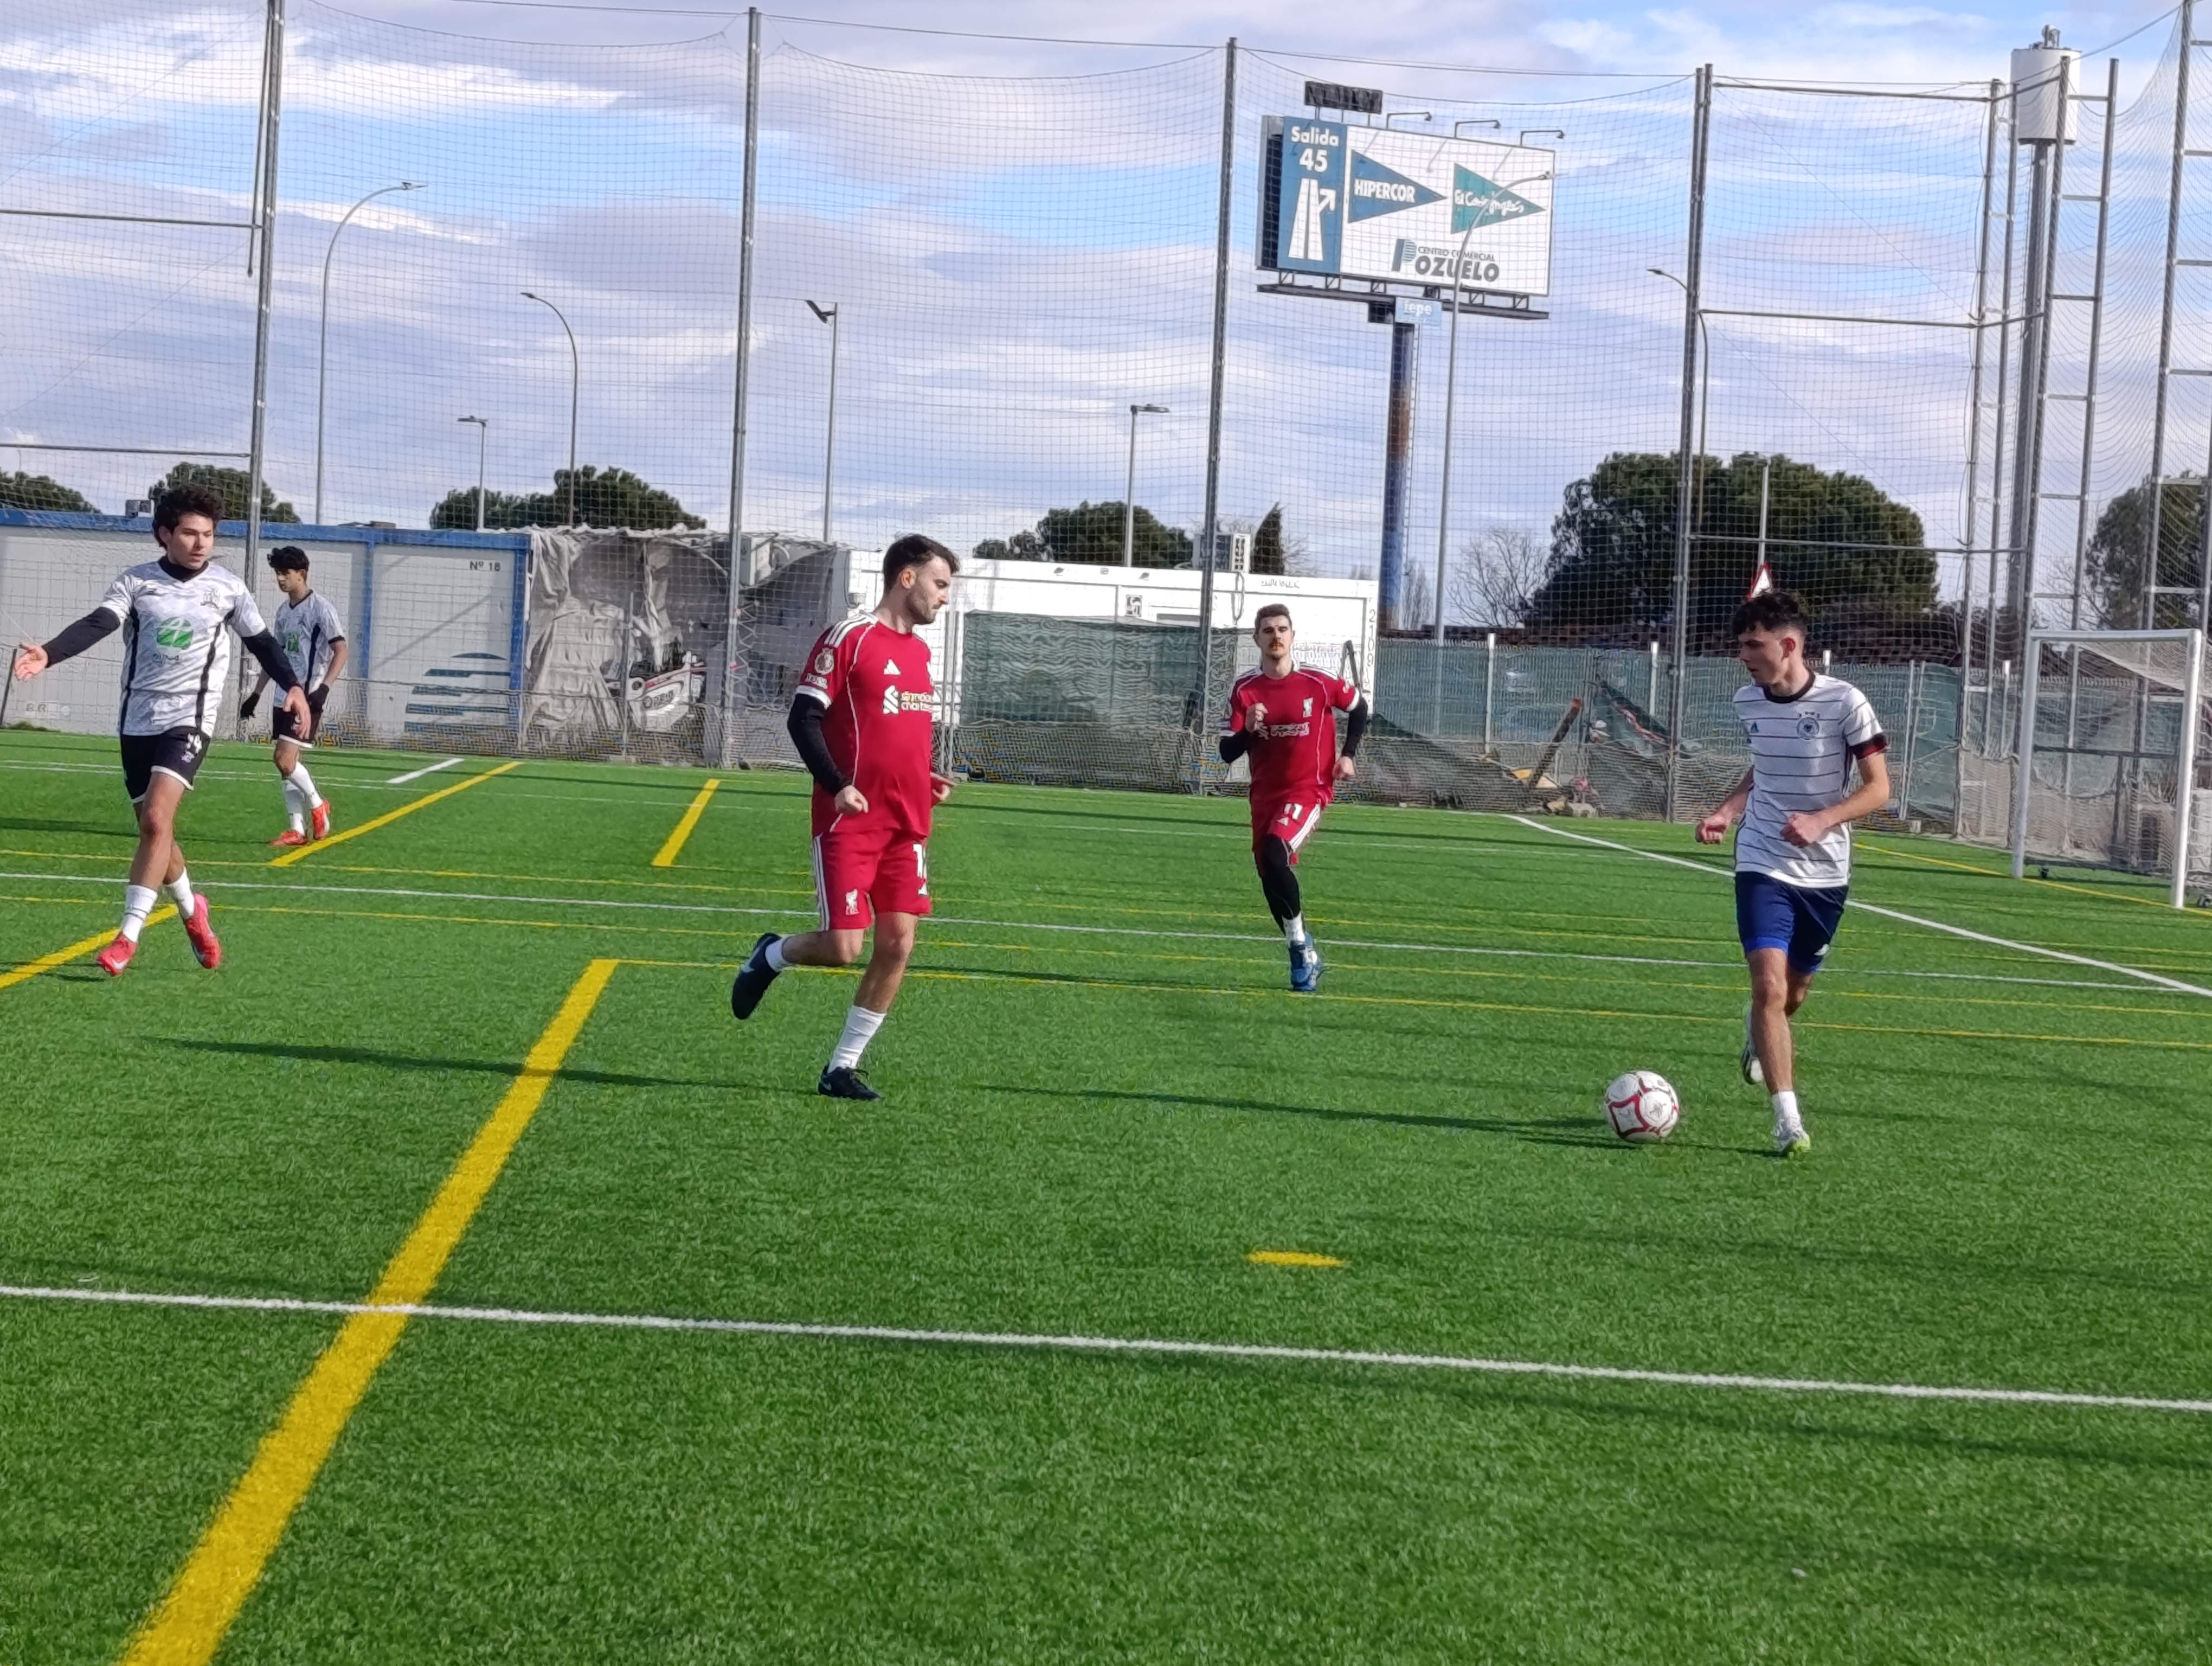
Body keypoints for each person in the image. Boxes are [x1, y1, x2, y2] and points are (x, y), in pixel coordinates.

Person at [10, 484, 311, 976]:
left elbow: (262, 642)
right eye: (189, 533)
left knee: (155, 819)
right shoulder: (136, 582)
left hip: (189, 720)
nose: (200, 543)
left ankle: (127, 936)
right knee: (157, 833)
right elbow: (99, 622)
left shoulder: (229, 589)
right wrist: (50, 653)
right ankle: (193, 911)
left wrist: (292, 685)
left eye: (208, 535)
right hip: (137, 721)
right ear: (163, 534)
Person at [728, 535, 959, 1099]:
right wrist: (838, 786)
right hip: (850, 821)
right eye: (940, 584)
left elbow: (895, 734)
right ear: (907, 578)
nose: (945, 597)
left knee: (898, 944)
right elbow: (803, 719)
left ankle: (841, 1068)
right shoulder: (850, 638)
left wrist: (923, 778)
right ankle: (771, 954)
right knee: (843, 948)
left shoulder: (920, 654)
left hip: (908, 824)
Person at [1696, 590, 1889, 1156]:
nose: (1743, 656)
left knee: (1794, 993)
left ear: (1787, 645)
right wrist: (1728, 810)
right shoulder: (1747, 701)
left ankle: (1758, 1033)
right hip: (1763, 859)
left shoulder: (1846, 702)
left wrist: (1823, 820)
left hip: (1825, 873)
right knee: (1769, 986)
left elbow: (1880, 789)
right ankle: (1788, 1122)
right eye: (1740, 645)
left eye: (1752, 645)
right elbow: (1762, 768)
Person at [1218, 603, 1368, 991]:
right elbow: (1227, 752)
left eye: (1282, 630)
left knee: (1275, 854)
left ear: (1293, 636)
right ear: (1256, 639)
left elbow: (1359, 707)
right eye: (1268, 631)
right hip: (1264, 796)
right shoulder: (1245, 690)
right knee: (1269, 875)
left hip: (1308, 789)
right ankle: (1302, 950)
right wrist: (1248, 730)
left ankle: (1300, 949)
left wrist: (1348, 755)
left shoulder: (1317, 682)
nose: (1276, 637)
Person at [240, 544, 345, 847]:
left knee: (283, 759)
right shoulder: (283, 613)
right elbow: (276, 658)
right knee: (287, 766)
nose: (280, 579)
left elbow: (341, 650)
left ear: (302, 574)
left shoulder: (321, 609)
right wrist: (256, 694)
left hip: (308, 697)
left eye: (286, 573)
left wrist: (324, 689)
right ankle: (297, 830)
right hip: (282, 696)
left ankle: (318, 805)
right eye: (277, 573)